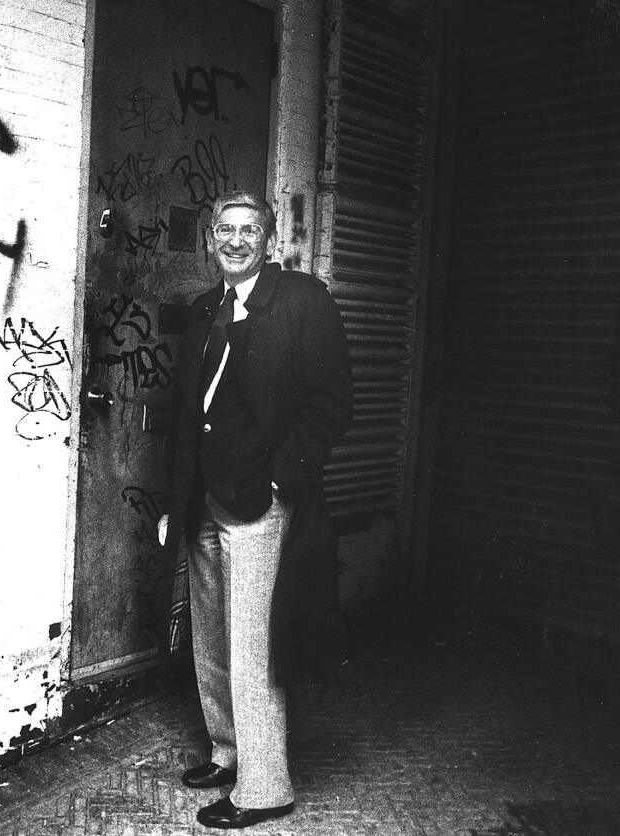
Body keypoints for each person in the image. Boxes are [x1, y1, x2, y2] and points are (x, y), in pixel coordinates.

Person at [156, 191, 353, 829]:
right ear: (211, 237)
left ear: (269, 239)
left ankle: (266, 788)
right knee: (212, 637)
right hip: (205, 499)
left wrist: (280, 480)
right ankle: (227, 750)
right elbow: (190, 417)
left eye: (249, 230)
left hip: (260, 502)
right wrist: (174, 498)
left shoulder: (302, 302)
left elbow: (332, 403)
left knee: (254, 647)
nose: (235, 241)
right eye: (225, 229)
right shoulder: (204, 308)